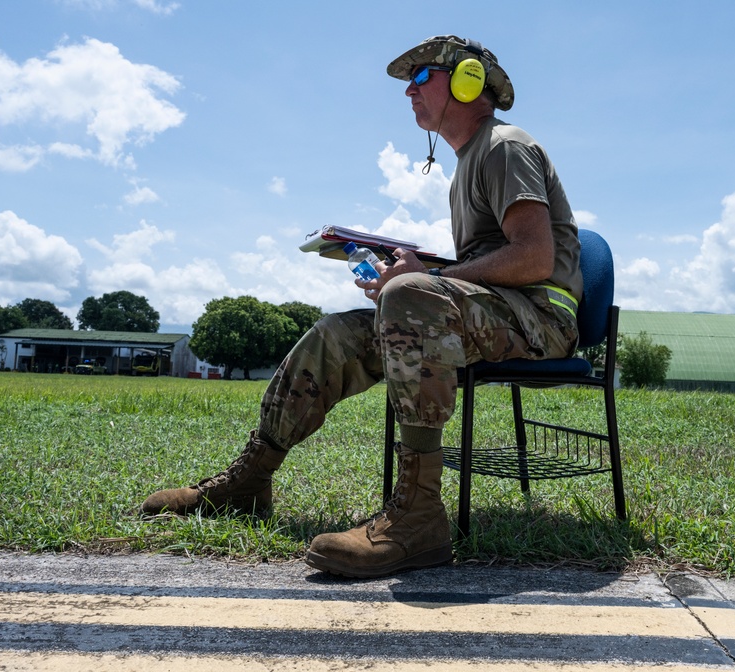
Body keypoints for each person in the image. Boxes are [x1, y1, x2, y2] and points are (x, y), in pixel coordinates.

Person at [141, 35, 582, 579]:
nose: (409, 93)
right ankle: (250, 480)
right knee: (336, 332)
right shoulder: (468, 163)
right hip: (493, 309)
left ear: (467, 80)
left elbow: (535, 257)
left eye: (420, 78)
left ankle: (419, 516)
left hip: (540, 319)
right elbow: (483, 267)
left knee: (409, 295)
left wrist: (423, 281)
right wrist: (414, 274)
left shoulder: (503, 146)